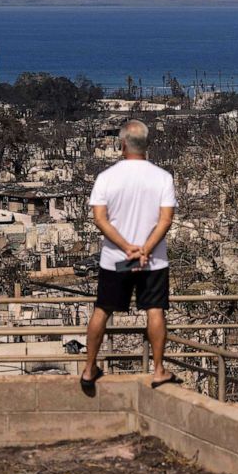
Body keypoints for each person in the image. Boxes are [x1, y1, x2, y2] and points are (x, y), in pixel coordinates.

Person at [80, 119, 181, 389]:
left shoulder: (106, 178)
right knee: (155, 310)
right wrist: (145, 250)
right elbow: (166, 220)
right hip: (153, 260)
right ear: (147, 145)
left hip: (115, 260)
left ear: (122, 144)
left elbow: (100, 219)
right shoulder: (163, 178)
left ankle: (89, 368)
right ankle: (158, 370)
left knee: (102, 310)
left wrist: (127, 248)